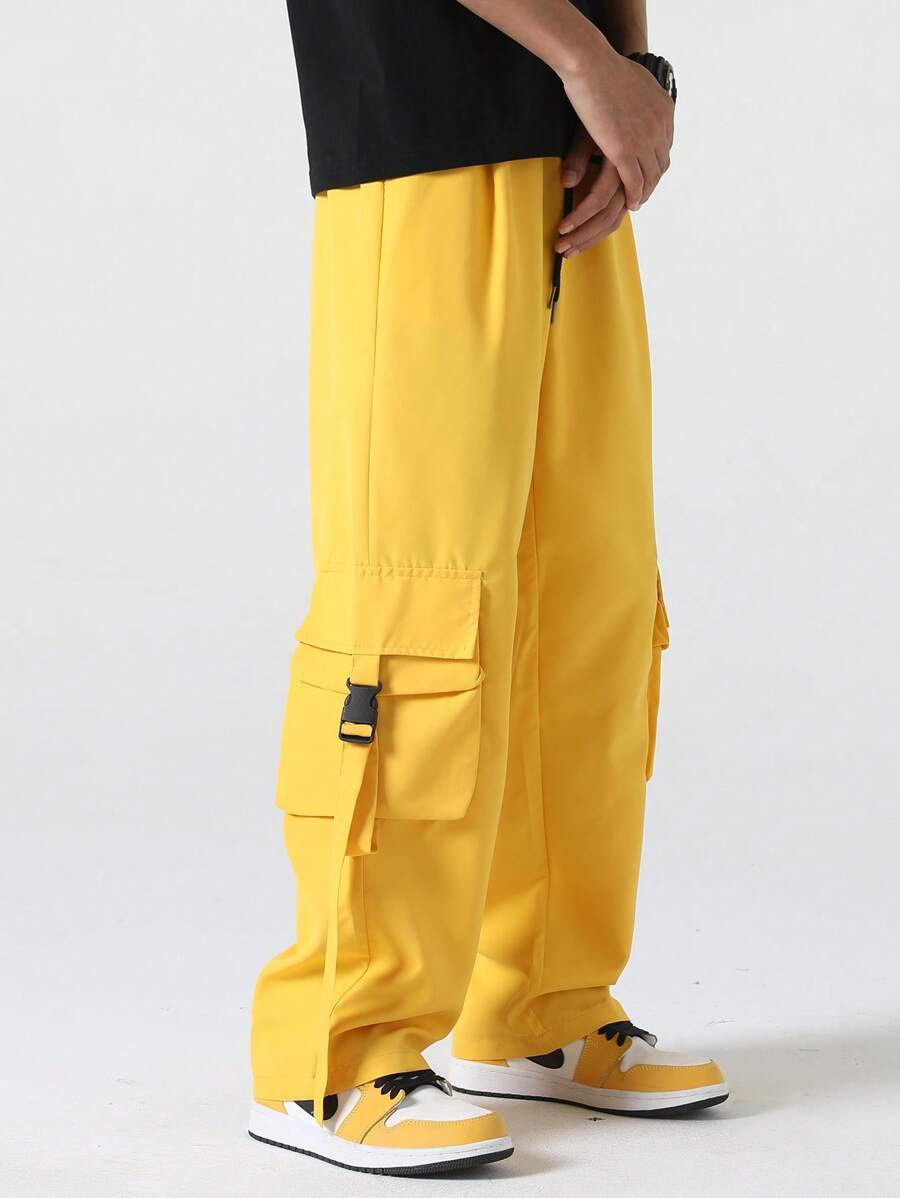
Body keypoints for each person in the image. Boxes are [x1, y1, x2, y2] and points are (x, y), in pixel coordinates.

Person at [249, 0, 727, 1176]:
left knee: (585, 597)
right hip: (418, 140)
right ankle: (334, 1051)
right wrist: (589, 63)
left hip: (570, 155)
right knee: (415, 603)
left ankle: (538, 1004)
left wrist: (629, 75)